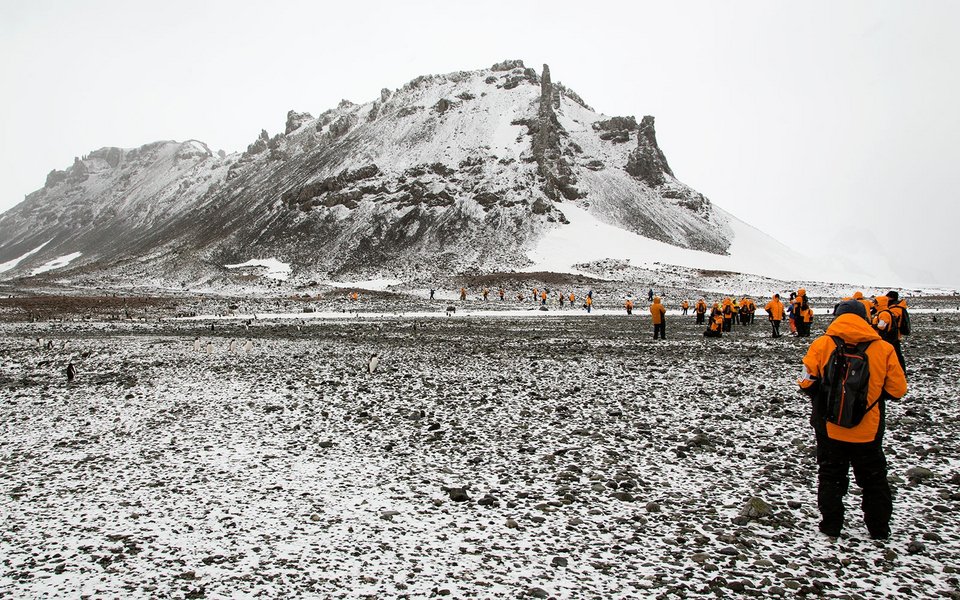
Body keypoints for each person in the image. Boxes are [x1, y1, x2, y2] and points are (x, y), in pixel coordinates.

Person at [798, 300, 906, 540]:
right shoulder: (884, 348)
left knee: (830, 475)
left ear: (837, 317)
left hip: (830, 426)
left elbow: (805, 381)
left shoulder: (822, 344)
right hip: (868, 429)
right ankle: (878, 528)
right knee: (874, 478)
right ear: (865, 317)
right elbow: (898, 390)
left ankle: (831, 525)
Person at [873, 294, 905, 370]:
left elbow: (882, 326)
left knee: (893, 355)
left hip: (885, 339)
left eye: (875, 303)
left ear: (879, 304)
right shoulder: (882, 312)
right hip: (886, 338)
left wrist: (871, 326)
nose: (874, 304)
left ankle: (898, 370)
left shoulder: (884, 314)